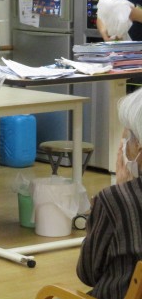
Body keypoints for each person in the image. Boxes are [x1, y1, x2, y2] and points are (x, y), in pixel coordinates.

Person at [76, 87, 142, 299]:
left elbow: (87, 273)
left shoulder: (115, 200)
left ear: (139, 148)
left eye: (126, 139)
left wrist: (120, 190)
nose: (123, 147)